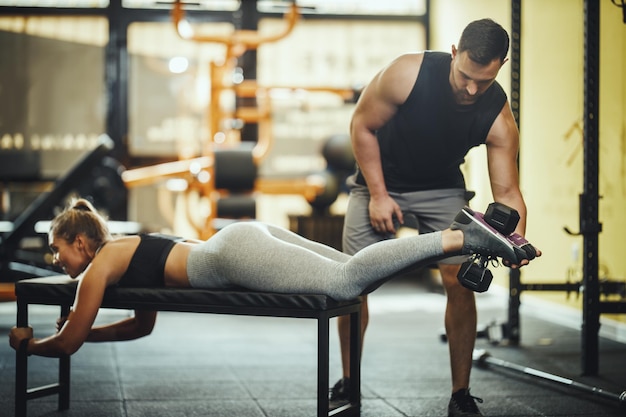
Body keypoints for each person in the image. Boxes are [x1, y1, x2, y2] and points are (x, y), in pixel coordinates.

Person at [8, 197, 536, 358]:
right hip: (241, 240)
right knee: (347, 273)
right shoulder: (123, 251)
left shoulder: (100, 264)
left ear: (81, 241)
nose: (60, 264)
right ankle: (480, 241)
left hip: (232, 256)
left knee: (348, 282)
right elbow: (139, 328)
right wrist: (87, 329)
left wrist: (31, 345)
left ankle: (460, 238)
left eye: (59, 253)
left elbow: (72, 338)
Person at [332, 18, 536, 417]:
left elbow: (508, 192)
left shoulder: (497, 115)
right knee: (351, 282)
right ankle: (348, 381)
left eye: (484, 80)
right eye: (465, 77)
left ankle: (460, 395)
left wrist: (516, 241)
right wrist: (377, 194)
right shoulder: (406, 73)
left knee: (459, 282)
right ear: (455, 54)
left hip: (441, 188)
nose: (472, 89)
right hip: (379, 181)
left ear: (501, 64)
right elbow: (362, 125)